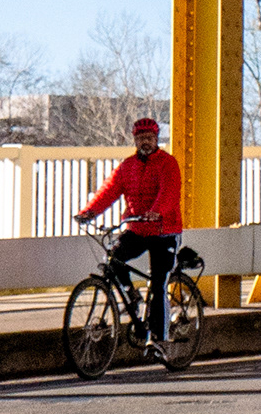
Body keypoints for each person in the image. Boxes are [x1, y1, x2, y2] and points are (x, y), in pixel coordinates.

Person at [77, 118, 182, 343]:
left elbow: (169, 193)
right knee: (114, 260)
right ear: (135, 140)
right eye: (141, 138)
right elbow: (109, 190)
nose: (145, 142)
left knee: (158, 284)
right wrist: (89, 212)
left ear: (156, 139)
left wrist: (157, 211)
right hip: (138, 229)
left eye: (149, 138)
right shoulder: (128, 166)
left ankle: (160, 339)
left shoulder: (167, 163)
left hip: (164, 231)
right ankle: (131, 296)